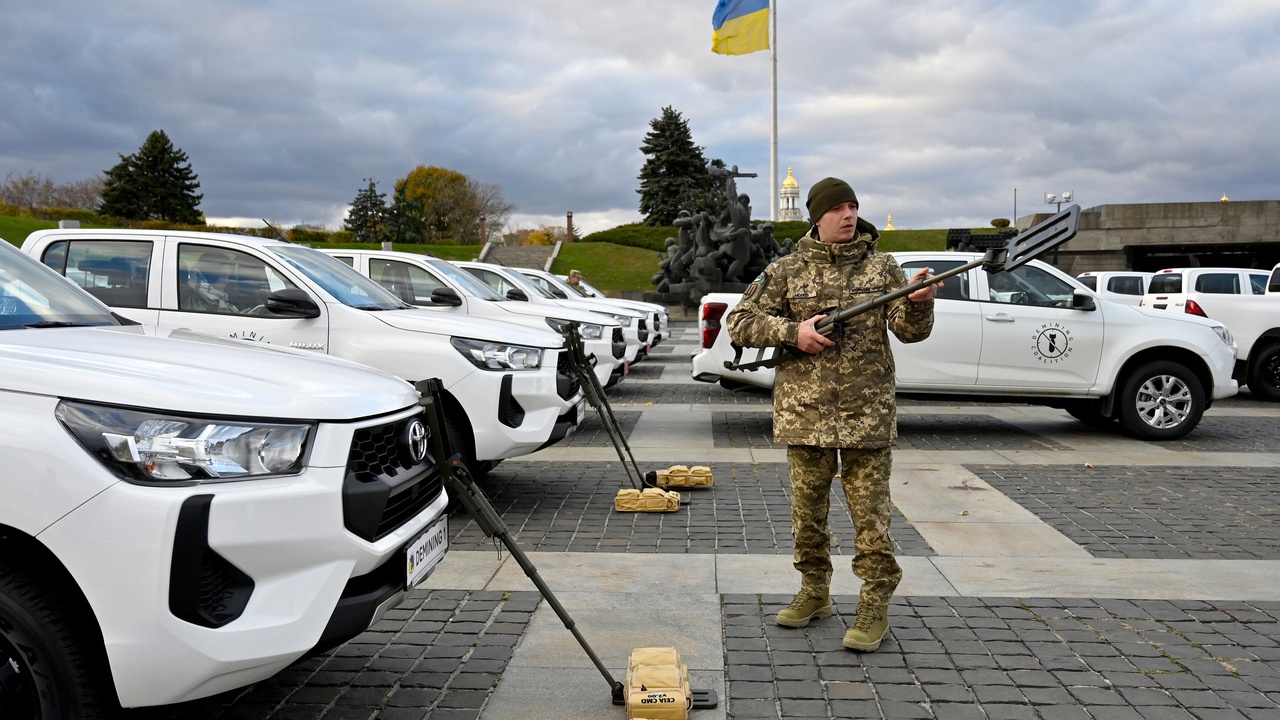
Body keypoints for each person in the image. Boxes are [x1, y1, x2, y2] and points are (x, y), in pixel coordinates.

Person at [725, 177, 937, 652]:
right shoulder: (786, 271)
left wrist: (920, 304)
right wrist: (791, 332)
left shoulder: (883, 269)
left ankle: (874, 604)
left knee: (871, 519)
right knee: (808, 517)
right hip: (805, 416)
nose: (848, 214)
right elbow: (738, 322)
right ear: (817, 216)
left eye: (854, 206)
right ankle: (814, 590)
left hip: (867, 416)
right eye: (838, 207)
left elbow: (908, 331)